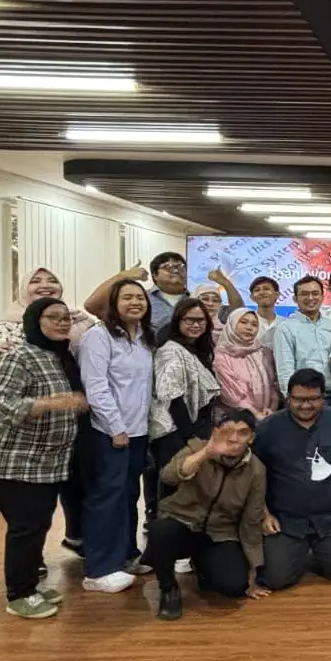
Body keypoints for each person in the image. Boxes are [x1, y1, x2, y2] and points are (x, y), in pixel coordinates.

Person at [0, 297, 91, 618]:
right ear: (35, 321)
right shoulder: (18, 357)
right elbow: (0, 404)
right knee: (26, 525)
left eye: (66, 318)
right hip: (6, 460)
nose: (62, 323)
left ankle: (28, 587)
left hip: (43, 463)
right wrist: (52, 403)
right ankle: (19, 595)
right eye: (53, 317)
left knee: (37, 523)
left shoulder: (59, 356)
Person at [143, 409, 269, 620]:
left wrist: (254, 570)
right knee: (159, 532)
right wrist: (206, 453)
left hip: (220, 534)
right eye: (227, 431)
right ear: (215, 432)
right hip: (182, 522)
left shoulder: (256, 470)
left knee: (234, 586)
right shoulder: (196, 447)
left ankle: (203, 567)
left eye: (242, 433)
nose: (233, 438)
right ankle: (169, 588)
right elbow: (168, 476)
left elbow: (251, 521)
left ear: (252, 438)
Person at [76, 278, 156, 593]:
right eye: (127, 297)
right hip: (110, 433)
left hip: (138, 431)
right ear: (113, 303)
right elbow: (95, 386)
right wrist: (116, 426)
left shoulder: (145, 338)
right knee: (106, 498)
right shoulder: (98, 337)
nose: (135, 302)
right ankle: (98, 569)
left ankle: (125, 555)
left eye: (140, 297)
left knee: (128, 496)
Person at [252, 368, 331, 591]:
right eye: (299, 399)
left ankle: (323, 550)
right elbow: (252, 474)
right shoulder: (268, 428)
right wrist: (265, 513)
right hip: (286, 520)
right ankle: (300, 551)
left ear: (323, 397)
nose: (306, 405)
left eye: (313, 399)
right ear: (288, 397)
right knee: (275, 579)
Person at [150, 298, 221, 485]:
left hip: (195, 427)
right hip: (175, 431)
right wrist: (190, 438)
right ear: (177, 321)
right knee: (174, 487)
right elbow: (174, 399)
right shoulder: (170, 351)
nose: (196, 325)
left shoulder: (197, 349)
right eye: (189, 320)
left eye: (201, 320)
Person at [0, 266, 97, 377]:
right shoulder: (6, 326)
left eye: (52, 281)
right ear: (24, 289)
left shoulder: (81, 320)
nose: (45, 285)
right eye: (35, 281)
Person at [274, 276, 331, 402]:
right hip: (303, 398)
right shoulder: (285, 328)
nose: (310, 298)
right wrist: (291, 398)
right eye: (304, 294)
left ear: (322, 296)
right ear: (295, 298)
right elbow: (285, 369)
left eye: (315, 293)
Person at [143, 252, 190, 334]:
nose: (176, 270)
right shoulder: (142, 298)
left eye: (180, 267)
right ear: (155, 275)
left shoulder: (195, 298)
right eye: (168, 267)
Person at [249, 274, 282, 347]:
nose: (262, 293)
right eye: (257, 290)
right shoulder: (246, 323)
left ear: (277, 294)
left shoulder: (286, 324)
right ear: (252, 297)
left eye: (266, 289)